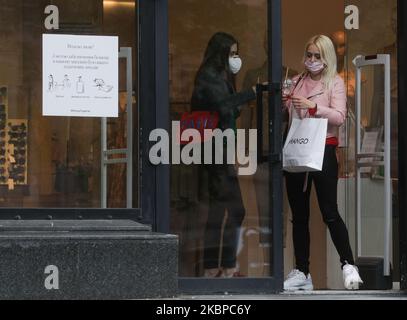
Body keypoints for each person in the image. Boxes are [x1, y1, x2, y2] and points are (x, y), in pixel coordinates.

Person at [282, 35, 363, 290]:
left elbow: (339, 117)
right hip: (298, 148)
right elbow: (291, 115)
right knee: (299, 215)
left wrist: (313, 105)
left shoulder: (335, 83)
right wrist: (287, 100)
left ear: (327, 57)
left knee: (330, 212)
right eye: (309, 55)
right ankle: (302, 271)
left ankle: (348, 265)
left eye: (317, 56)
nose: (312, 60)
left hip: (324, 149)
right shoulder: (296, 82)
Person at [190, 32, 258, 278]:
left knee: (220, 211)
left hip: (221, 150)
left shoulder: (221, 77)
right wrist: (251, 92)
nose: (235, 58)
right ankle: (225, 265)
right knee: (234, 210)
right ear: (220, 53)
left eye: (236, 53)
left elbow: (231, 111)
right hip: (213, 150)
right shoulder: (208, 77)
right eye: (231, 53)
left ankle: (215, 267)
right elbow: (224, 106)